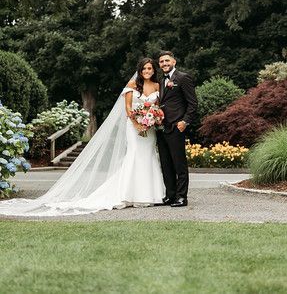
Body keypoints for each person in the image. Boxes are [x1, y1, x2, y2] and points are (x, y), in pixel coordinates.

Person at [0, 58, 165, 217]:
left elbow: (157, 107)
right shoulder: (132, 85)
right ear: (140, 70)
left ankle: (150, 194)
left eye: (150, 68)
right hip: (133, 126)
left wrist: (152, 120)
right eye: (144, 68)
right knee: (134, 155)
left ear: (153, 70)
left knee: (149, 155)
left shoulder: (158, 86)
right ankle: (129, 194)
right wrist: (137, 124)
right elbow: (128, 109)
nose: (147, 71)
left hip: (149, 129)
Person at [157, 51, 198, 207]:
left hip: (176, 127)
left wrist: (185, 122)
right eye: (161, 61)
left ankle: (182, 197)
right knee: (166, 164)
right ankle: (171, 195)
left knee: (179, 164)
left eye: (167, 60)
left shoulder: (182, 78)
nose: (164, 63)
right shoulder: (161, 81)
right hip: (161, 128)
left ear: (173, 61)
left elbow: (193, 104)